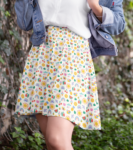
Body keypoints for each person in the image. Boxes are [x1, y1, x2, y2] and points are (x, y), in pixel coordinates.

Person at [14, 0, 125, 150]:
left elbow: (118, 24)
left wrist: (96, 7)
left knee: (56, 139)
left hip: (73, 54)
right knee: (50, 142)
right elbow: (24, 23)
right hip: (42, 52)